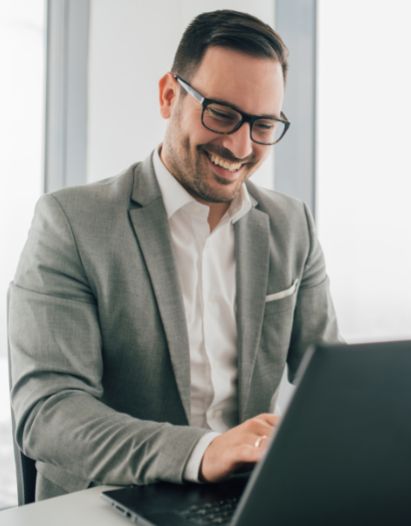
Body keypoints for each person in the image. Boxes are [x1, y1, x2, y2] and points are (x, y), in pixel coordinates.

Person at [8, 9, 339, 500]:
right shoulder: (71, 223)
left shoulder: (292, 226)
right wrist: (202, 452)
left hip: (244, 500)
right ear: (169, 96)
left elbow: (332, 382)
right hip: (109, 500)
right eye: (221, 114)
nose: (240, 145)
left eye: (263, 124)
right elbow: (49, 411)